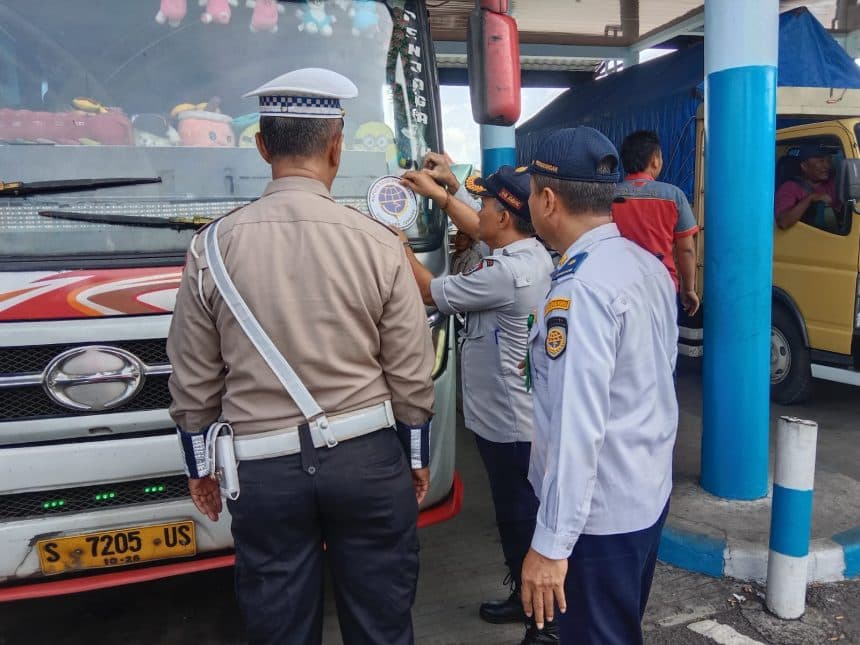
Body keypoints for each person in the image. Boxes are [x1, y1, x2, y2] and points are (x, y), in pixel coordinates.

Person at [166, 68, 435, 645]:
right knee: (382, 624)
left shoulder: (210, 246)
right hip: (368, 461)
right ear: (337, 145)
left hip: (263, 472)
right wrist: (415, 452)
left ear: (262, 146)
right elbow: (410, 371)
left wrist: (199, 466)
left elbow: (193, 377)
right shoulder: (379, 241)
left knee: (278, 625)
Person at [519, 126, 679, 645]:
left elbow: (575, 425)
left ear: (547, 200)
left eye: (529, 193)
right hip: (644, 495)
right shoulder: (646, 264)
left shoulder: (580, 289)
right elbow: (662, 373)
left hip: (598, 519)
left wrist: (551, 543)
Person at [399, 165, 558, 644]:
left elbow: (428, 289)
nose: (479, 211)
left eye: (487, 203)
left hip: (512, 428)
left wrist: (394, 237)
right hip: (508, 421)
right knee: (515, 520)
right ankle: (523, 598)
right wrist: (445, 196)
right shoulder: (525, 253)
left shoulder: (505, 274)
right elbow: (477, 227)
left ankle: (542, 625)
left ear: (506, 217)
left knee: (519, 522)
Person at [613, 130, 700, 316]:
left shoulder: (608, 197)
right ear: (654, 160)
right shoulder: (673, 196)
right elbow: (686, 249)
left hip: (617, 288)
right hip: (662, 288)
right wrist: (688, 289)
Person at [774, 143, 840, 230]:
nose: (827, 166)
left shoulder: (832, 183)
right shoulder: (789, 188)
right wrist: (810, 198)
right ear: (804, 166)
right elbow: (783, 222)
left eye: (828, 161)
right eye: (821, 161)